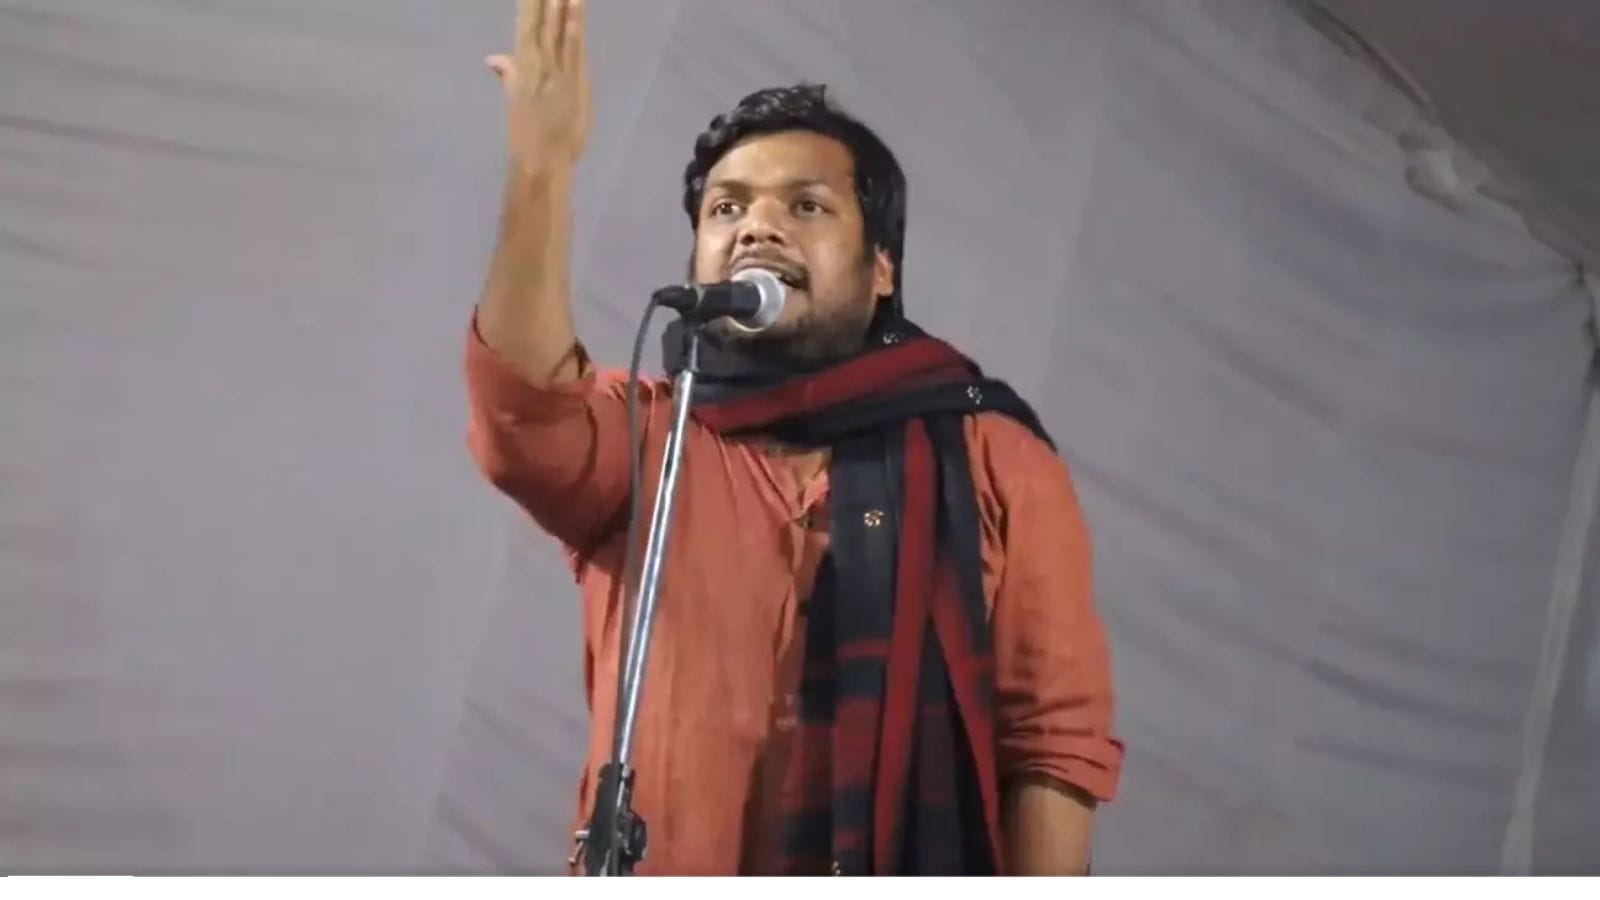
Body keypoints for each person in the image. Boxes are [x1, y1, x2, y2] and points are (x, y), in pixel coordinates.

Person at [464, 0, 1123, 875]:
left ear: (881, 268)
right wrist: (540, 171)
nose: (756, 227)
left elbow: (1050, 741)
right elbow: (522, 414)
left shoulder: (995, 456)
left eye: (806, 205)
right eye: (725, 208)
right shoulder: (653, 436)